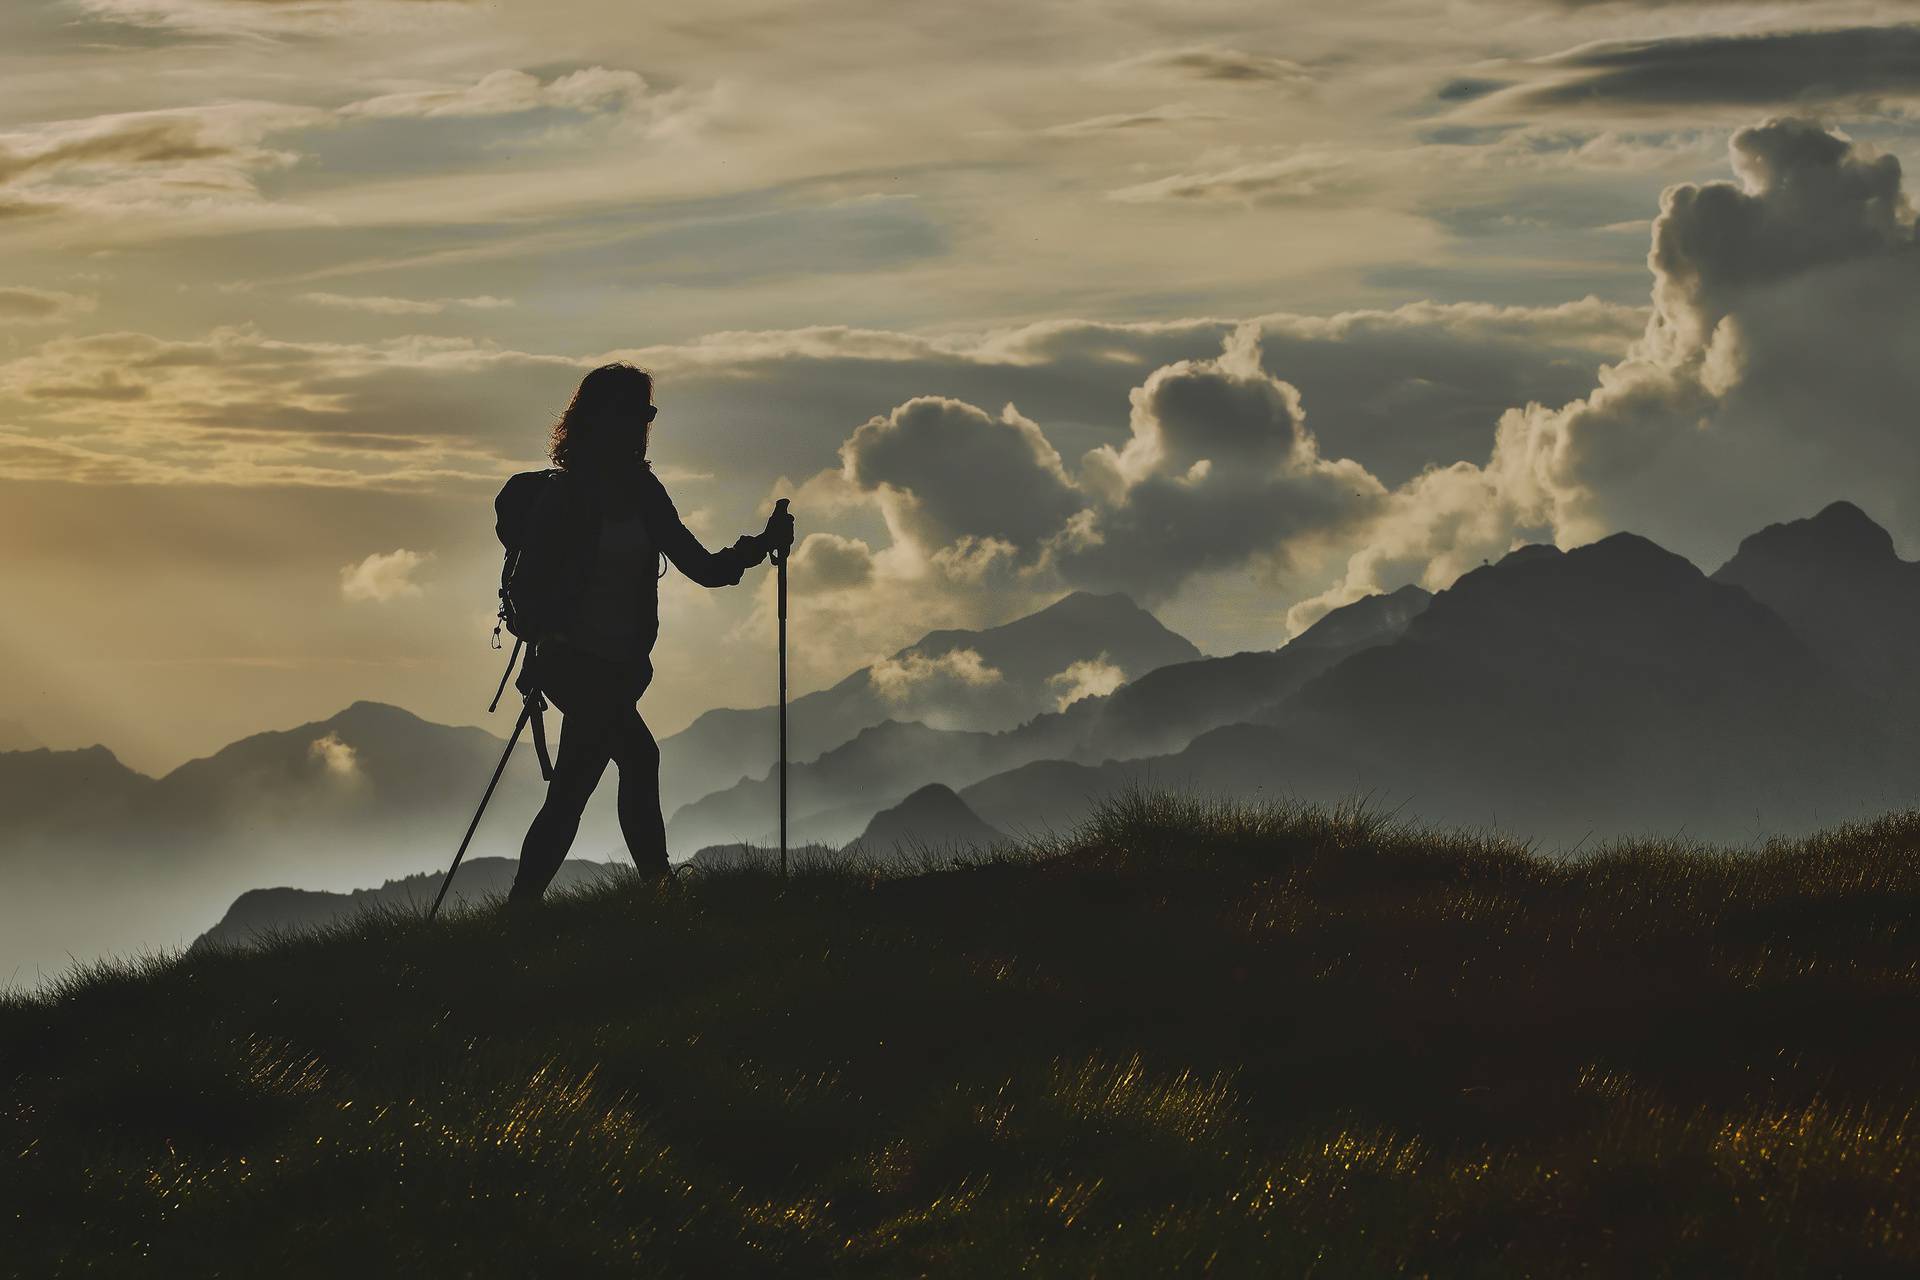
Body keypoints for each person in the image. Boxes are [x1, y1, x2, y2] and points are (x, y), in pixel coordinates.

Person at [506, 361, 793, 904]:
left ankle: (524, 905)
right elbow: (527, 589)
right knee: (635, 759)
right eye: (635, 411)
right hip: (575, 665)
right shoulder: (565, 497)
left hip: (617, 667)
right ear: (597, 418)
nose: (643, 423)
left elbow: (703, 566)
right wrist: (554, 640)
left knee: (575, 785)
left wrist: (761, 543)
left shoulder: (642, 489)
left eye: (648, 412)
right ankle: (658, 891)